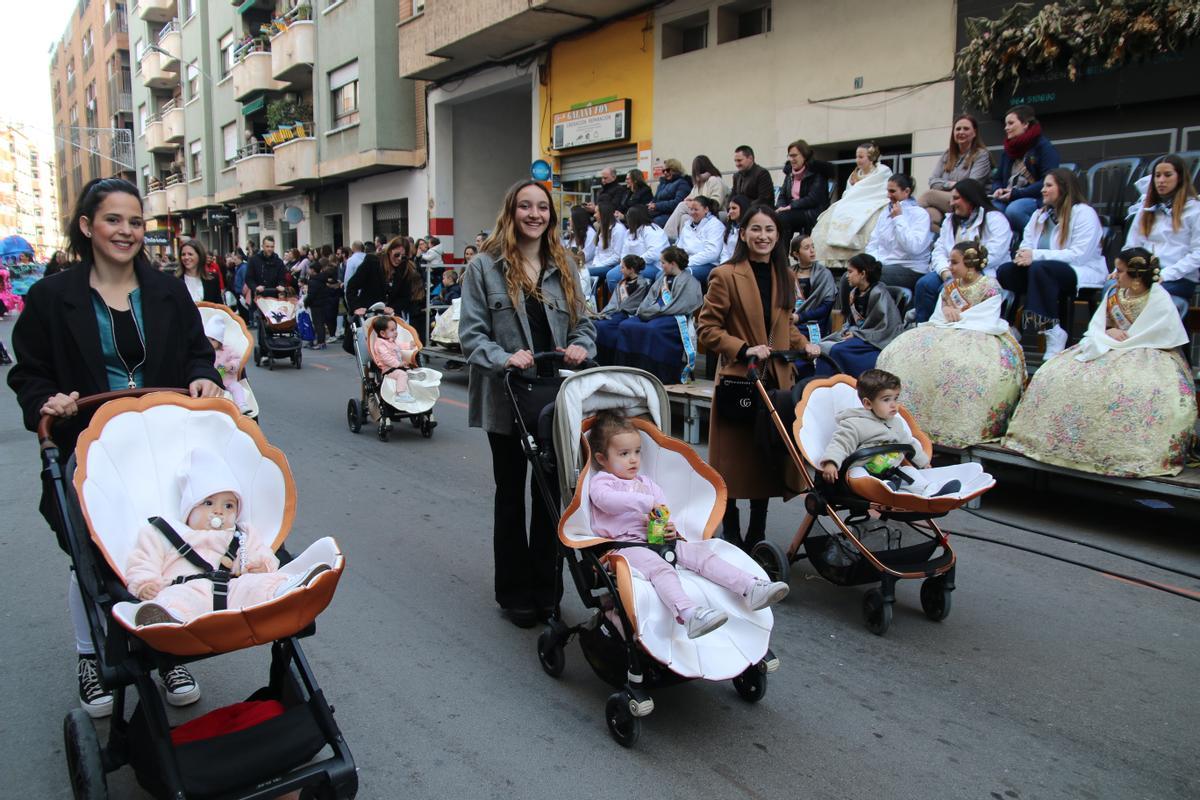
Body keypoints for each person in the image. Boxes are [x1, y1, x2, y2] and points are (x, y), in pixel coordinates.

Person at [7, 177, 223, 717]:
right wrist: (46, 402)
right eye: (113, 220)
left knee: (171, 547)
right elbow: (28, 374)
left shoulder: (168, 293)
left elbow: (198, 354)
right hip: (91, 450)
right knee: (94, 556)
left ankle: (167, 645)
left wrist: (202, 378)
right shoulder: (51, 299)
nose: (126, 231)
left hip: (163, 445)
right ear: (87, 226)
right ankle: (90, 656)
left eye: (134, 221)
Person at [459, 179, 596, 627]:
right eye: (525, 206)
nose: (534, 214)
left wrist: (578, 346)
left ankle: (547, 588)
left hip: (554, 397)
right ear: (511, 212)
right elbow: (473, 336)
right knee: (511, 492)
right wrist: (504, 357)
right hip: (507, 398)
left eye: (542, 207)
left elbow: (585, 325)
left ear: (551, 216)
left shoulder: (566, 265)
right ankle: (514, 592)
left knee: (550, 494)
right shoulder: (484, 267)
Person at [586, 410, 789, 639]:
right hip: (624, 548)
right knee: (660, 568)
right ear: (602, 459)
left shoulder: (647, 484)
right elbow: (607, 502)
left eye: (637, 452)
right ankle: (688, 613)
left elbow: (661, 510)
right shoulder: (603, 482)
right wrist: (645, 503)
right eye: (623, 454)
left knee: (701, 556)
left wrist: (668, 527)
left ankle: (750, 587)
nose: (633, 459)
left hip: (656, 540)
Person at [1004, 248, 1195, 476]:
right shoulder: (1115, 293)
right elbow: (1098, 325)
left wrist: (1128, 337)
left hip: (1147, 352)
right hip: (1107, 345)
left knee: (1138, 388)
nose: (1115, 275)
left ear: (1136, 277)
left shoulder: (1158, 298)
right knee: (1056, 373)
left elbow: (1161, 333)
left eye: (1121, 271)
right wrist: (1110, 331)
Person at [696, 205, 810, 552]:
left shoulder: (785, 275)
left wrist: (805, 345)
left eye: (770, 230)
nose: (763, 236)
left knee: (765, 458)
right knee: (732, 463)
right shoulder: (725, 274)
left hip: (776, 380)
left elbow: (786, 325)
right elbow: (706, 329)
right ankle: (730, 535)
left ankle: (756, 536)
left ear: (778, 236)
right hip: (738, 380)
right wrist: (743, 347)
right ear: (743, 233)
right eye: (756, 229)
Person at [127, 448, 329, 626]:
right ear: (189, 509)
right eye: (208, 503)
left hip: (231, 590)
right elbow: (143, 562)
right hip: (186, 588)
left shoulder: (241, 534)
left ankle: (287, 590)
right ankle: (169, 618)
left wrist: (262, 567)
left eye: (229, 505)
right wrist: (145, 584)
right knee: (175, 599)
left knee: (257, 585)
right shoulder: (164, 532)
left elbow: (262, 554)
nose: (219, 512)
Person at [877, 242, 1025, 448]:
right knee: (901, 353)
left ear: (971, 264)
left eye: (954, 262)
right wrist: (946, 313)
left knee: (963, 365)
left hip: (979, 331)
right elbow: (941, 310)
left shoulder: (989, 286)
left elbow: (988, 314)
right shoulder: (950, 286)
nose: (950, 267)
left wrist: (961, 317)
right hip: (945, 329)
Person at [996, 168, 1106, 359]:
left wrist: (1035, 255)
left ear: (1063, 188)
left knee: (1040, 268)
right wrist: (1022, 256)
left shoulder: (1084, 213)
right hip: (1043, 271)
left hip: (1079, 271)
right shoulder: (1039, 214)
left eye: (1049, 185)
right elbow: (1026, 244)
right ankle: (1014, 326)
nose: (1043, 190)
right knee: (1007, 271)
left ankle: (1053, 332)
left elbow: (1079, 255)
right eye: (1044, 185)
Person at [818, 369, 959, 496]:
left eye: (895, 398)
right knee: (857, 474)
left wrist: (923, 463)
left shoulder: (895, 423)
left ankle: (929, 489)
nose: (893, 405)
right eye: (886, 400)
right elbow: (840, 444)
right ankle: (883, 489)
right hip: (864, 470)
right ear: (868, 403)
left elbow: (909, 443)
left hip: (890, 471)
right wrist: (831, 463)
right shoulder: (854, 424)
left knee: (909, 472)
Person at [912, 179, 1012, 323]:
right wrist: (945, 272)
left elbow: (995, 254)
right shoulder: (949, 221)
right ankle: (924, 327)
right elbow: (939, 250)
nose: (951, 203)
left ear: (971, 199)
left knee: (945, 290)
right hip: (950, 270)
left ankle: (950, 329)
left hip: (979, 273)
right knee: (924, 284)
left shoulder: (995, 219)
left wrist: (963, 269)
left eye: (956, 198)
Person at [803, 253, 904, 378]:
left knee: (837, 350)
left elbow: (885, 328)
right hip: (858, 335)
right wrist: (849, 331)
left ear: (863, 274)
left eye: (850, 272)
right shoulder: (854, 293)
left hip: (874, 340)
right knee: (820, 345)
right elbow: (852, 321)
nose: (847, 276)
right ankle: (819, 383)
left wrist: (857, 334)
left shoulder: (878, 294)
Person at [613, 246, 704, 384]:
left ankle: (652, 374)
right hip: (654, 314)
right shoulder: (662, 278)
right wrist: (646, 310)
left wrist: (654, 312)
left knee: (652, 329)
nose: (660, 266)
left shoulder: (690, 281)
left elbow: (680, 306)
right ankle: (627, 371)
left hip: (674, 317)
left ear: (673, 264)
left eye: (663, 263)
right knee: (626, 325)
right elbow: (649, 299)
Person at [1124, 153, 1200, 315]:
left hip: (1179, 277)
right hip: (1145, 273)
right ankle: (1110, 338)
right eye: (1157, 176)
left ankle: (1142, 339)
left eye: (1167, 175)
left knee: (1142, 293)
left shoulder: (1195, 210)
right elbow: (1132, 245)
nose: (1161, 180)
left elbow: (1197, 253)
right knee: (1112, 288)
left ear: (1180, 178)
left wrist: (1165, 274)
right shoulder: (1146, 208)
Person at [812, 143, 893, 267]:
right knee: (828, 216)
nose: (857, 160)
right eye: (856, 157)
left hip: (873, 203)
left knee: (868, 222)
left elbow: (881, 191)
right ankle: (833, 260)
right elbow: (849, 193)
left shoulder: (882, 171)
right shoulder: (854, 175)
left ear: (871, 157)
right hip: (851, 203)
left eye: (861, 157)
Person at [991, 104, 1060, 233]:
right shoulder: (1008, 150)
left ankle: (1037, 241)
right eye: (1006, 124)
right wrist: (998, 190)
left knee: (1014, 210)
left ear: (1025, 124)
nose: (1006, 128)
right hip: (1009, 197)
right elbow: (997, 179)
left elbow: (1048, 181)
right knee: (991, 212)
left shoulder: (1043, 147)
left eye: (1011, 123)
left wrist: (1016, 194)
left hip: (1035, 198)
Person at [919, 114, 993, 229]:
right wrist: (950, 184)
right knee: (930, 214)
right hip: (949, 199)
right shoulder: (947, 155)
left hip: (970, 200)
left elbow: (971, 186)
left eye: (966, 128)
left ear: (974, 132)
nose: (961, 132)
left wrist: (948, 186)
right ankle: (943, 242)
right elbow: (932, 181)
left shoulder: (981, 155)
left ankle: (906, 220)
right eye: (958, 129)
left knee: (929, 195)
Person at [864, 174, 934, 292]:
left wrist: (898, 218)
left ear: (906, 191)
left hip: (910, 268)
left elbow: (913, 247)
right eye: (887, 191)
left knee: (866, 276)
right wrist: (873, 263)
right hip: (884, 264)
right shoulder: (885, 212)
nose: (888, 195)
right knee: (851, 275)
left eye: (892, 191)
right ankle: (849, 310)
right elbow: (873, 243)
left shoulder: (919, 214)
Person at [348, 236, 425, 322]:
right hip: (368, 314)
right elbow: (352, 286)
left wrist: (393, 308)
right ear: (389, 251)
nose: (399, 259)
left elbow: (405, 296)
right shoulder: (373, 262)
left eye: (403, 257)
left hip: (390, 318)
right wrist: (356, 307)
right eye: (396, 255)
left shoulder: (405, 268)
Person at [594, 255, 651, 363]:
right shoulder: (622, 282)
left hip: (627, 314)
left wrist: (614, 311)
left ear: (631, 270)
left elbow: (633, 304)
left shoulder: (641, 284)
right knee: (597, 323)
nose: (620, 270)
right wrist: (603, 313)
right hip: (616, 312)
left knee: (602, 326)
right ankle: (601, 358)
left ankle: (607, 360)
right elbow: (613, 302)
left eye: (623, 268)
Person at [665, 155, 731, 240]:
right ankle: (684, 245)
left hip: (715, 213)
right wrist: (692, 202)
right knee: (685, 218)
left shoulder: (714, 180)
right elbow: (688, 199)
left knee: (682, 205)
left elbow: (716, 203)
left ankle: (668, 235)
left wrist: (694, 202)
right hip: (700, 211)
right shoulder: (698, 184)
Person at [776, 139, 832, 239]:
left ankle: (782, 253)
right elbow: (782, 195)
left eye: (794, 155)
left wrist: (790, 207)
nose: (792, 159)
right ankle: (779, 252)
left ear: (804, 156)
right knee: (772, 216)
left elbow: (813, 199)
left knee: (783, 218)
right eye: (790, 156)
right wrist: (781, 207)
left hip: (812, 211)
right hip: (793, 210)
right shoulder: (790, 173)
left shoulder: (816, 173)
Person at [790, 234, 837, 338]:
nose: (812, 251)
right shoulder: (789, 273)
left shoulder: (824, 274)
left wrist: (800, 317)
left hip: (815, 322)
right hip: (791, 320)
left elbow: (827, 305)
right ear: (796, 253)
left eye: (813, 246)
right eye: (806, 248)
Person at [204, 315, 250, 412]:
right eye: (207, 339)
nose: (209, 343)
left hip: (227, 379)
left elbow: (237, 361)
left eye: (213, 340)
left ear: (219, 341)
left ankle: (241, 405)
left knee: (237, 387)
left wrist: (230, 366)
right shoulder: (204, 351)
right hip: (210, 380)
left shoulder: (227, 350)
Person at [677, 195, 725, 287]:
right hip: (687, 263)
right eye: (691, 209)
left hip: (709, 264)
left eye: (696, 209)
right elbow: (679, 247)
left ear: (706, 209)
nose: (692, 212)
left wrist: (686, 262)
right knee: (662, 274)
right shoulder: (687, 225)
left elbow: (712, 253)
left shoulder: (715, 225)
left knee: (681, 276)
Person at [370, 315, 417, 402]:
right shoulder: (380, 344)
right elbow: (386, 358)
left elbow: (399, 346)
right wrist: (398, 364)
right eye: (392, 330)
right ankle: (401, 394)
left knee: (409, 371)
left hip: (396, 367)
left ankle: (413, 379)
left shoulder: (391, 340)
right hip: (388, 369)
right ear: (382, 333)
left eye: (396, 329)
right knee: (401, 374)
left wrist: (409, 345)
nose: (396, 332)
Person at [619, 204, 668, 285]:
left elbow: (654, 254)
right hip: (631, 265)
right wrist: (623, 264)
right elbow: (624, 251)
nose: (627, 219)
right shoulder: (629, 232)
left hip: (653, 265)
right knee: (611, 275)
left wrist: (633, 263)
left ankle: (631, 297)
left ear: (635, 218)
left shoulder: (651, 230)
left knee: (627, 275)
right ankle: (618, 297)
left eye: (628, 216)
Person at [590, 201, 628, 293]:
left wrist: (599, 266)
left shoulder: (618, 229)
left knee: (585, 274)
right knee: (583, 273)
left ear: (603, 213)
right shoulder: (602, 228)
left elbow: (617, 257)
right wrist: (595, 264)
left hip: (612, 265)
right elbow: (597, 252)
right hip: (601, 264)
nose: (594, 215)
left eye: (596, 212)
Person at [302, 257, 340, 349]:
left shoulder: (313, 281)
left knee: (318, 323)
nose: (309, 270)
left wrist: (306, 302)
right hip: (324, 303)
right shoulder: (322, 278)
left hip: (316, 304)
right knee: (321, 323)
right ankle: (320, 341)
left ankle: (320, 342)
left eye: (310, 269)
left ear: (313, 270)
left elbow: (311, 295)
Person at [647, 158, 692, 228]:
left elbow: (677, 203)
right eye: (663, 171)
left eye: (668, 170)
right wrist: (650, 204)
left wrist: (657, 206)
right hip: (657, 213)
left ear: (675, 170)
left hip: (671, 215)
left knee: (653, 224)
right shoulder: (662, 184)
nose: (665, 172)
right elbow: (655, 199)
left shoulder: (682, 183)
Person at [178, 238, 222, 304]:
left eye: (190, 254)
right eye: (183, 254)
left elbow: (219, 307)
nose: (186, 257)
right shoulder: (175, 280)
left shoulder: (212, 279)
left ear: (200, 256)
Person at [248, 236, 286, 300]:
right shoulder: (254, 260)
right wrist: (255, 287)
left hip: (274, 296)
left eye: (272, 247)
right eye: (267, 246)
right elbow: (249, 278)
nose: (270, 249)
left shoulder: (279, 262)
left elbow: (281, 278)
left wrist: (281, 286)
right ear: (262, 246)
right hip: (258, 296)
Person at [719, 194, 751, 265]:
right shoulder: (729, 228)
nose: (730, 211)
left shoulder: (750, 230)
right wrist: (724, 266)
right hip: (727, 266)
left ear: (743, 208)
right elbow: (725, 252)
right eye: (729, 209)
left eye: (734, 208)